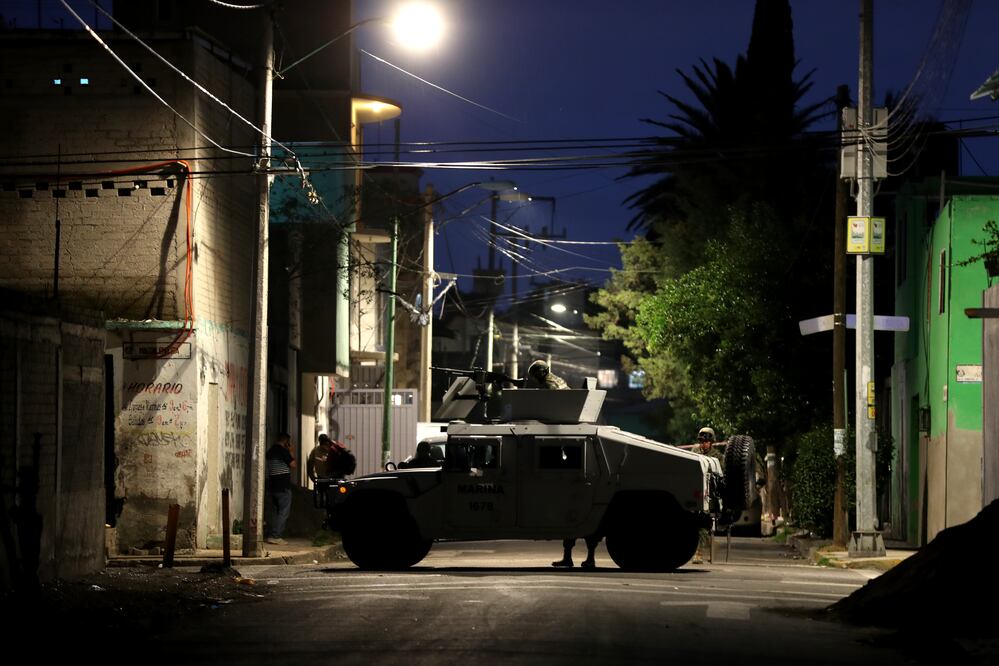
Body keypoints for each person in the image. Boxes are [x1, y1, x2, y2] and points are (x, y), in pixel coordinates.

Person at [693, 426, 721, 563]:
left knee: (703, 524)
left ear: (711, 442)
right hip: (695, 491)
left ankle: (699, 552)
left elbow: (720, 477)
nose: (703, 444)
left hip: (710, 494)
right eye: (701, 441)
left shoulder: (717, 457)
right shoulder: (694, 453)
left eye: (706, 442)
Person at [265, 433, 296, 545]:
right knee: (283, 512)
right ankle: (275, 536)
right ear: (286, 441)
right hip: (283, 486)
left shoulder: (270, 451)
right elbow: (293, 465)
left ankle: (271, 534)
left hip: (272, 485)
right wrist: (291, 451)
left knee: (275, 512)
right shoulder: (283, 451)